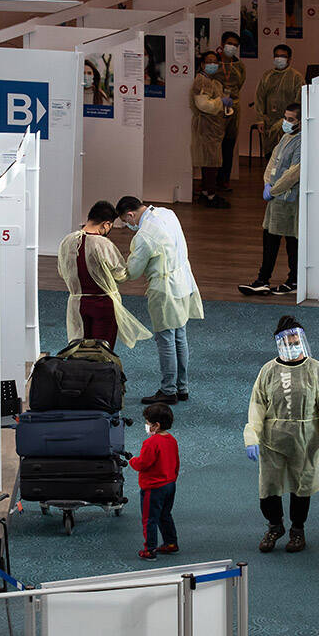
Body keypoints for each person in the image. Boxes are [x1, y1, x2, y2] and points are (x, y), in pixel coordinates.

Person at [244, 316, 319, 554]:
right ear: (279, 344)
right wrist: (252, 437)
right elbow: (257, 406)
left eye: (297, 341)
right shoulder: (268, 371)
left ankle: (298, 530)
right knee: (268, 488)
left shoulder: (315, 370)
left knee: (302, 487)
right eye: (289, 342)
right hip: (273, 441)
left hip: (306, 441)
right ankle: (275, 526)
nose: (294, 346)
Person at [116, 196, 203, 405]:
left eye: (127, 221)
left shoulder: (145, 234)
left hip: (165, 289)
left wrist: (116, 269)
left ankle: (168, 390)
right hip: (184, 281)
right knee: (180, 336)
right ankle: (182, 387)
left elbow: (134, 271)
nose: (129, 225)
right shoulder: (167, 213)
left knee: (165, 339)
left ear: (130, 214)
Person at [56, 201, 151, 349]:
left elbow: (62, 272)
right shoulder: (103, 244)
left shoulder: (67, 241)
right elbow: (121, 275)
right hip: (103, 305)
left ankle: (80, 372)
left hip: (77, 303)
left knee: (79, 348)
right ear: (106, 224)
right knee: (102, 350)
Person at [240, 103, 302, 297]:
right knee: (270, 236)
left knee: (290, 239)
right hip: (276, 198)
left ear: (300, 122)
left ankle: (291, 279)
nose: (286, 122)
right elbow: (273, 162)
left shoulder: (302, 141)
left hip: (288, 199)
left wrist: (274, 189)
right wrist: (267, 183)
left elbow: (294, 172)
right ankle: (263, 280)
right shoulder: (285, 138)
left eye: (291, 119)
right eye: (285, 117)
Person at [128, 402, 180, 560]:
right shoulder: (172, 440)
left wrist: (131, 460)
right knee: (165, 515)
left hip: (153, 487)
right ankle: (171, 543)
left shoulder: (151, 443)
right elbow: (176, 463)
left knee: (149, 518)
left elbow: (143, 464)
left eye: (148, 423)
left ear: (156, 426)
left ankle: (149, 549)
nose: (146, 426)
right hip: (170, 484)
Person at [191, 51, 230, 208]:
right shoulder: (201, 81)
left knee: (212, 161)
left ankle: (208, 192)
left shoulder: (213, 82)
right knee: (209, 161)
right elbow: (204, 105)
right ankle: (209, 194)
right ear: (202, 64)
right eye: (209, 61)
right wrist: (221, 101)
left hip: (214, 127)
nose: (213, 64)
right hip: (206, 127)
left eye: (215, 62)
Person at [255, 44, 304, 155]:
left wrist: (290, 120)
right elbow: (259, 99)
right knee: (270, 155)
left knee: (285, 155)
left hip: (288, 123)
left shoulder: (296, 77)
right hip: (268, 123)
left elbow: (299, 102)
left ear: (289, 59)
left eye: (283, 56)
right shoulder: (267, 76)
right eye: (276, 56)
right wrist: (259, 119)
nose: (279, 59)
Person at [215, 31, 247, 194]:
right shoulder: (214, 63)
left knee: (229, 145)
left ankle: (224, 180)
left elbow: (239, 84)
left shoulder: (239, 66)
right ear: (222, 43)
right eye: (229, 43)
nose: (232, 47)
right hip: (216, 107)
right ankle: (211, 181)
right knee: (215, 144)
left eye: (235, 45)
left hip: (233, 108)